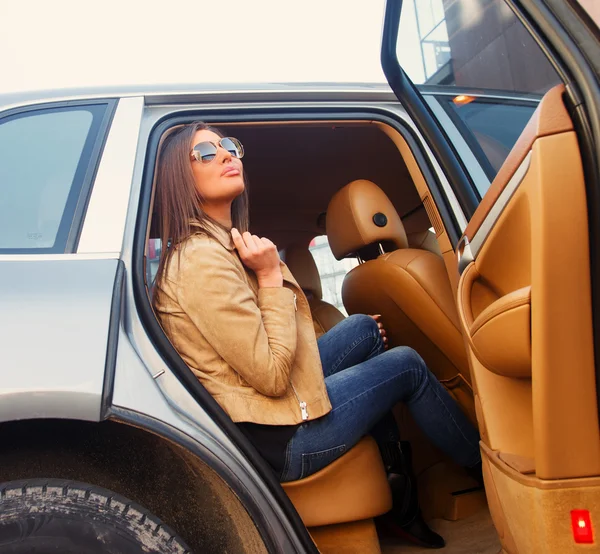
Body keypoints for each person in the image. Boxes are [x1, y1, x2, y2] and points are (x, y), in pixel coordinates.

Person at [153, 122, 482, 549]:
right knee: (406, 366)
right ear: (182, 177)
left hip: (273, 411)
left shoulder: (222, 247)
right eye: (207, 153)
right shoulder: (200, 261)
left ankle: (396, 486)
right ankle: (481, 473)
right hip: (277, 440)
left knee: (364, 330)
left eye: (229, 145)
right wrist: (271, 276)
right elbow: (271, 375)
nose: (228, 155)